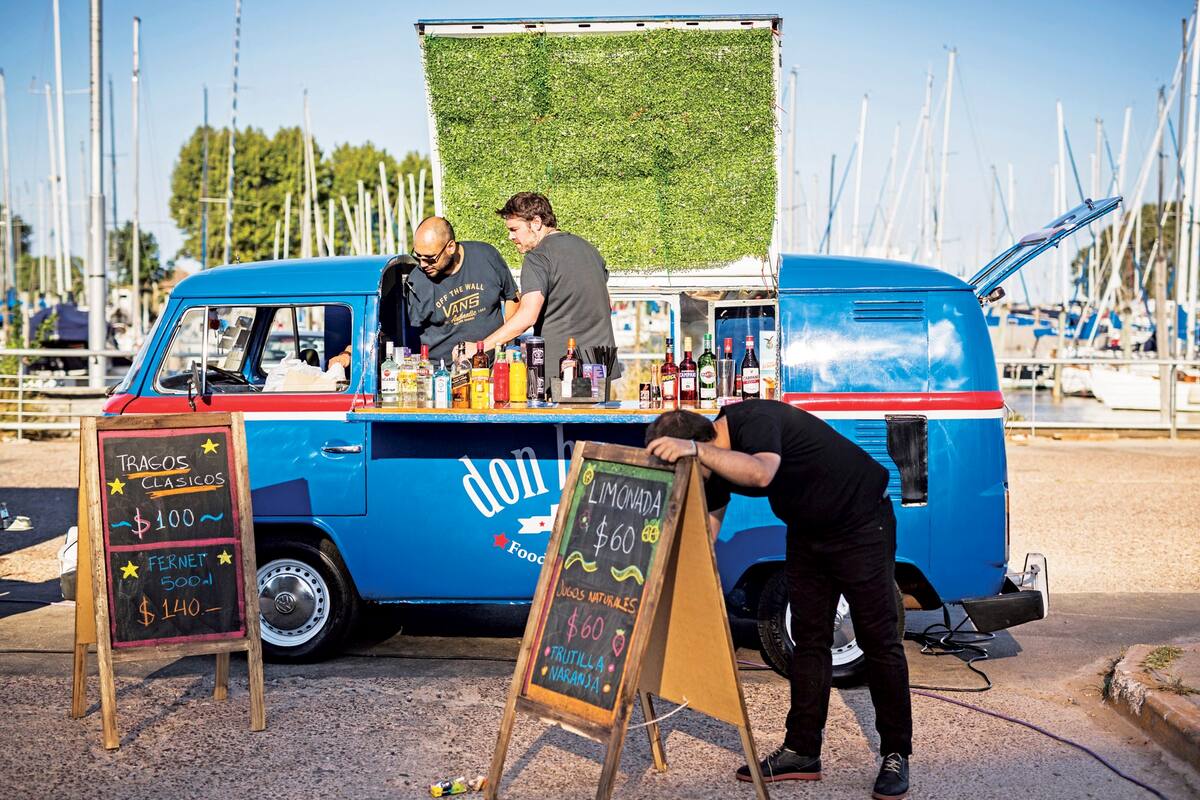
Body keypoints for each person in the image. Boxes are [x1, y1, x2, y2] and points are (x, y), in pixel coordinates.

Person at [644, 400, 912, 800]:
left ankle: (896, 753)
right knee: (809, 641)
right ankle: (802, 751)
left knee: (879, 639)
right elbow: (707, 531)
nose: (695, 475)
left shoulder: (754, 420)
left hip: (860, 522)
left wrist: (697, 453)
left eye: (693, 462)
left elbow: (761, 472)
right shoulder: (710, 461)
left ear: (706, 440)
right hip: (808, 531)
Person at [330, 216, 517, 368]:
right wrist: (347, 353)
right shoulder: (417, 281)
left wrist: (508, 346)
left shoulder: (486, 256)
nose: (423, 265)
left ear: (450, 247)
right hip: (444, 375)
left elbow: (513, 298)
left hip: (493, 368)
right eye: (417, 256)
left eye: (430, 259)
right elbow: (382, 327)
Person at [481, 192, 619, 376]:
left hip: (561, 373)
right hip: (600, 367)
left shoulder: (537, 258)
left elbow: (527, 317)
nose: (510, 237)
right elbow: (607, 304)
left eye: (514, 229)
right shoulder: (589, 249)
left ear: (536, 222)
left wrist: (479, 347)